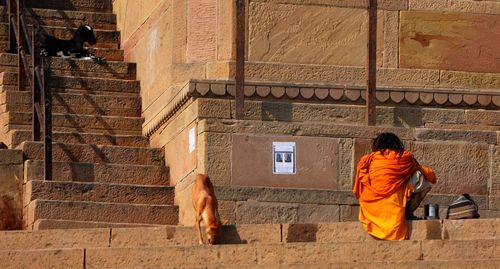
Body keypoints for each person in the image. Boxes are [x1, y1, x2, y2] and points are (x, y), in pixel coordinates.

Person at [353, 132, 437, 240]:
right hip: (393, 209)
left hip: (371, 210)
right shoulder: (405, 158)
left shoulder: (368, 160)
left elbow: (358, 186)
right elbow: (431, 177)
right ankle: (407, 213)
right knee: (420, 177)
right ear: (397, 144)